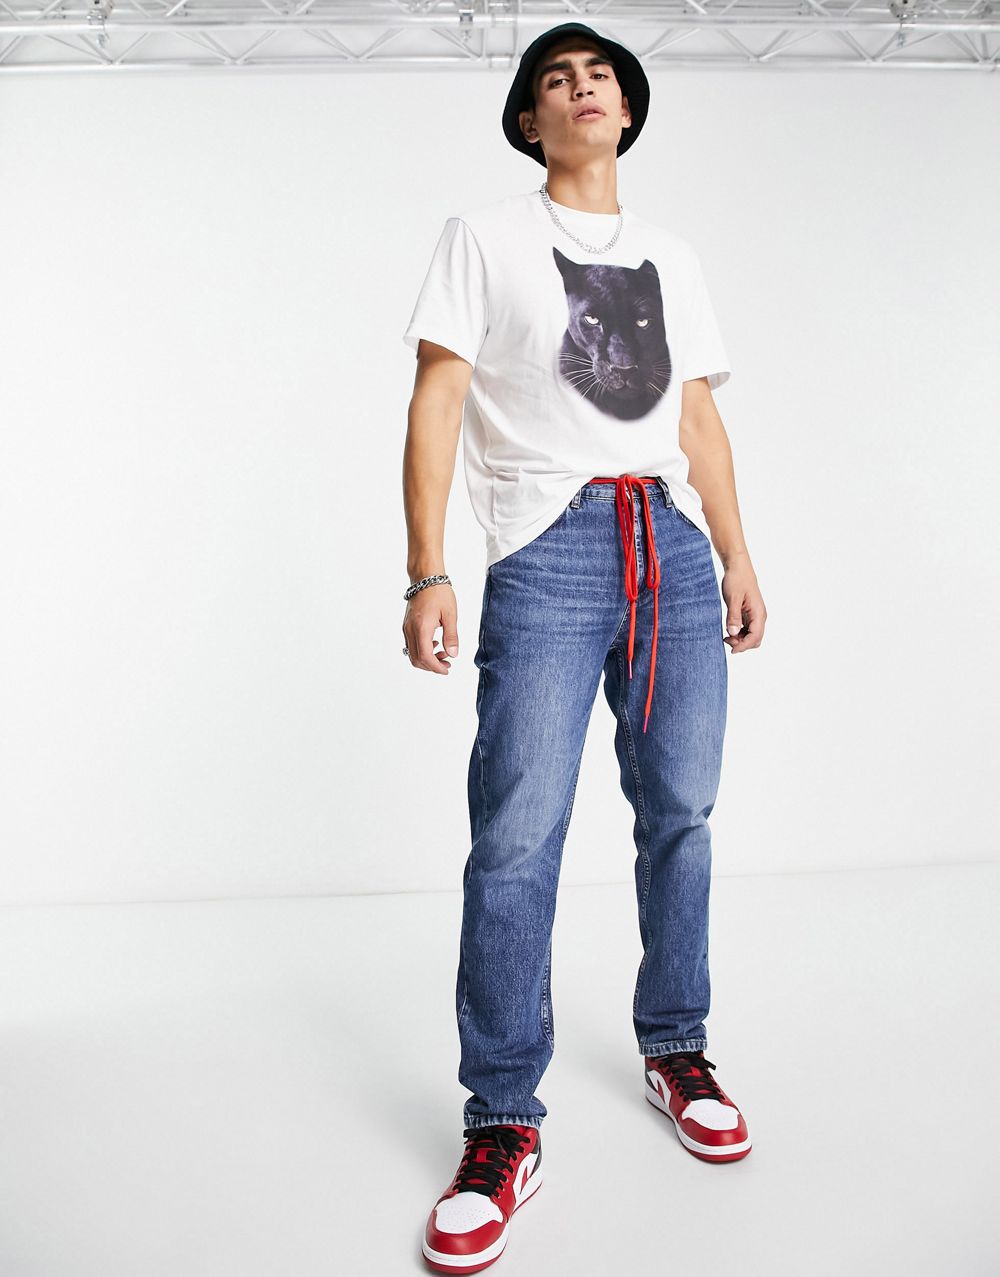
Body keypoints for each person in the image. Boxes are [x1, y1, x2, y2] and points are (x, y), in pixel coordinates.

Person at [401, 21, 767, 1273]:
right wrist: (429, 567)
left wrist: (736, 551)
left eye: (599, 74)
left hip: (668, 541)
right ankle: (502, 1118)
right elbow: (436, 397)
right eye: (555, 80)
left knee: (682, 811)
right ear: (529, 120)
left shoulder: (672, 252)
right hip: (547, 547)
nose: (581, 89)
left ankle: (678, 1045)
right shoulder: (483, 236)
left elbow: (697, 414)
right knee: (516, 836)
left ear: (628, 107)